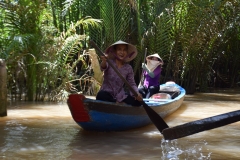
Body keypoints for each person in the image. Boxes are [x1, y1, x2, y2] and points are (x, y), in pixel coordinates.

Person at [96, 40, 142, 106]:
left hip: (120, 96)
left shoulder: (128, 68)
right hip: (107, 93)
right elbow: (103, 67)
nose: (122, 52)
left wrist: (137, 94)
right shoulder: (109, 62)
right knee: (101, 95)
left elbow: (132, 84)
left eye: (124, 50)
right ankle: (116, 103)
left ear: (127, 52)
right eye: (119, 49)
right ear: (115, 51)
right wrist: (104, 61)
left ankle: (117, 103)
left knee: (138, 102)